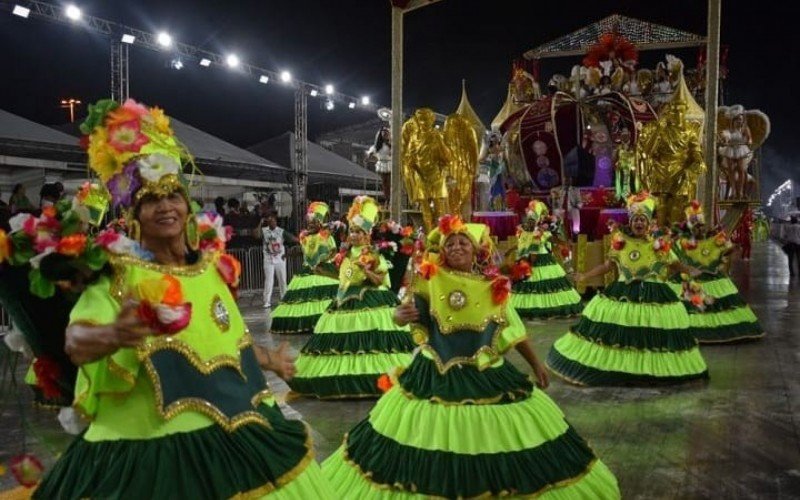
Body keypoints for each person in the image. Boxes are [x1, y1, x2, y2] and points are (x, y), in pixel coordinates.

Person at [32, 98, 333, 497]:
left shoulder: (208, 269)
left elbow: (225, 340)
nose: (166, 207)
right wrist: (114, 335)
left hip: (234, 429)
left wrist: (269, 361)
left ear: (188, 207)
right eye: (152, 200)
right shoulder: (117, 272)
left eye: (172, 196)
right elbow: (76, 342)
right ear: (133, 215)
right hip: (149, 449)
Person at [321, 215, 620, 498]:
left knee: (498, 440)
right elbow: (409, 317)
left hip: (485, 370)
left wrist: (536, 364)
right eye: (450, 243)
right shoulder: (429, 280)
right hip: (434, 374)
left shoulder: (495, 287)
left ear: (477, 250)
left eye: (463, 242)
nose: (456, 247)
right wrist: (398, 315)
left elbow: (513, 330)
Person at [547, 192, 709, 385]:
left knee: (651, 336)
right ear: (630, 222)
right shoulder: (620, 243)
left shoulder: (660, 244)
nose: (639, 223)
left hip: (655, 296)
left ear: (649, 223)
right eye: (635, 220)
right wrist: (584, 275)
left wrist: (689, 270)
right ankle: (620, 368)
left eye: (642, 220)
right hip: (623, 292)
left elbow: (675, 265)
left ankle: (650, 369)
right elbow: (607, 266)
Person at [288, 196, 414, 398]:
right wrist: (323, 270)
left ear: (367, 234)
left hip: (370, 299)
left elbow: (380, 280)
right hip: (344, 298)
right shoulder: (345, 254)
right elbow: (343, 277)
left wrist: (367, 270)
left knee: (371, 343)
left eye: (358, 232)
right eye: (352, 231)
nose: (354, 236)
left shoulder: (373, 254)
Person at [670, 202, 764, 343]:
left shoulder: (715, 240)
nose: (698, 229)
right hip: (689, 283)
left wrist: (723, 259)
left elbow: (730, 248)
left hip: (714, 279)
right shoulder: (681, 242)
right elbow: (672, 259)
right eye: (695, 226)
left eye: (700, 226)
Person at [270, 202, 340, 334]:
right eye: (309, 223)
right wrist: (293, 253)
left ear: (320, 223)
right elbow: (305, 252)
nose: (310, 225)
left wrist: (323, 261)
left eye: (314, 222)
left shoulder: (326, 236)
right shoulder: (304, 237)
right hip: (307, 270)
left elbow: (333, 252)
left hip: (325, 270)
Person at [511, 200, 583, 319]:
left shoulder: (543, 231)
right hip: (529, 260)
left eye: (533, 213)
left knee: (544, 285)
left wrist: (558, 239)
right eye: (530, 213)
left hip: (542, 259)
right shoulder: (526, 231)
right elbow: (523, 244)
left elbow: (557, 241)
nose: (531, 215)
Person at [256, 213, 298, 309]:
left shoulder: (280, 231)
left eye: (274, 221)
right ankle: (266, 301)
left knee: (282, 280)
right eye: (270, 221)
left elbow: (292, 238)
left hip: (280, 259)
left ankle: (284, 298)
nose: (273, 222)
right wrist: (260, 223)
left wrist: (302, 239)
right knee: (269, 281)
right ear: (268, 222)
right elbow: (256, 235)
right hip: (268, 260)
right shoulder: (264, 230)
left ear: (276, 222)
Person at [368, 126, 392, 203]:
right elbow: (370, 156)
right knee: (384, 182)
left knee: (389, 182)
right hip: (381, 164)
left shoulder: (391, 145)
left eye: (387, 134)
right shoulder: (377, 146)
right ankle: (387, 198)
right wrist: (375, 159)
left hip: (390, 164)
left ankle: (390, 198)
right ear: (380, 135)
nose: (385, 135)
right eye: (384, 133)